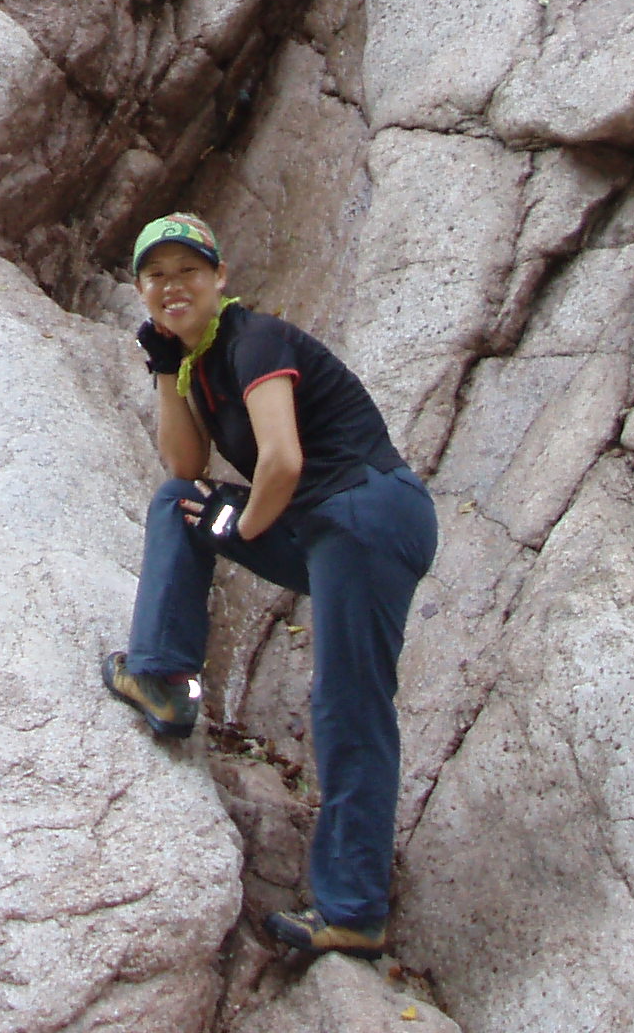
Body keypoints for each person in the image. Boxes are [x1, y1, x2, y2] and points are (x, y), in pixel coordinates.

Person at [102, 212, 439, 959]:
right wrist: (165, 369)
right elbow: (185, 467)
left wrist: (245, 529)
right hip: (318, 525)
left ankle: (353, 909)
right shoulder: (199, 365)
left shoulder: (254, 340)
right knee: (178, 504)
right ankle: (161, 679)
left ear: (220, 277)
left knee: (348, 700)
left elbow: (282, 460)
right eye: (156, 276)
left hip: (366, 513)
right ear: (141, 290)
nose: (172, 286)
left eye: (188, 271)